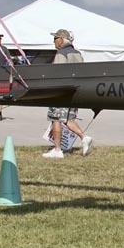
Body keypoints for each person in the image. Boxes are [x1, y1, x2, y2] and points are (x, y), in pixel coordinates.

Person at [43, 29, 93, 158]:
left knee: (56, 118)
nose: (54, 41)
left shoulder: (61, 54)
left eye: (55, 38)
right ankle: (84, 137)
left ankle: (57, 149)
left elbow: (57, 74)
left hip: (61, 92)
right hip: (74, 92)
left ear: (61, 39)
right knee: (68, 119)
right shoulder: (78, 53)